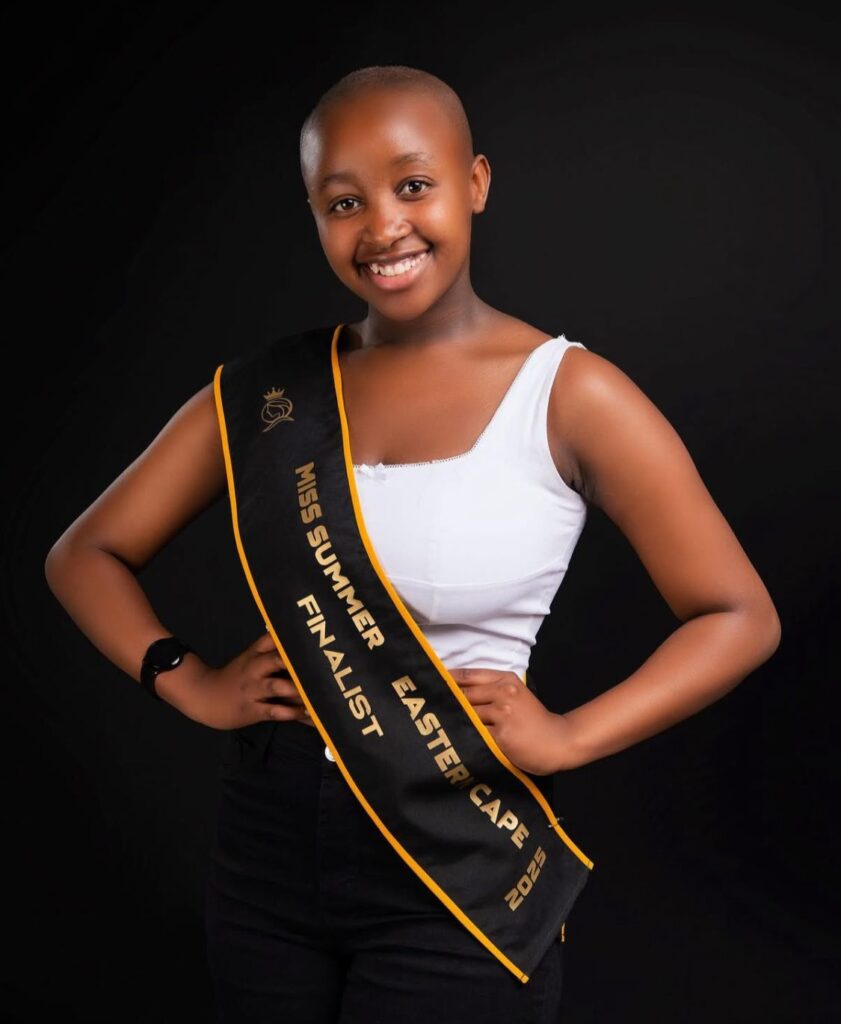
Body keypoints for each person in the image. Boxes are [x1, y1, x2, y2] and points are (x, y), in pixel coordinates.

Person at [44, 64, 781, 1023]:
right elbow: (84, 554)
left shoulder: (569, 393)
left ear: (475, 182)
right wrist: (189, 681)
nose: (382, 227)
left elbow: (738, 616)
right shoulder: (268, 396)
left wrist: (568, 737)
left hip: (454, 843)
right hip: (267, 849)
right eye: (343, 202)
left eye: (414, 184)